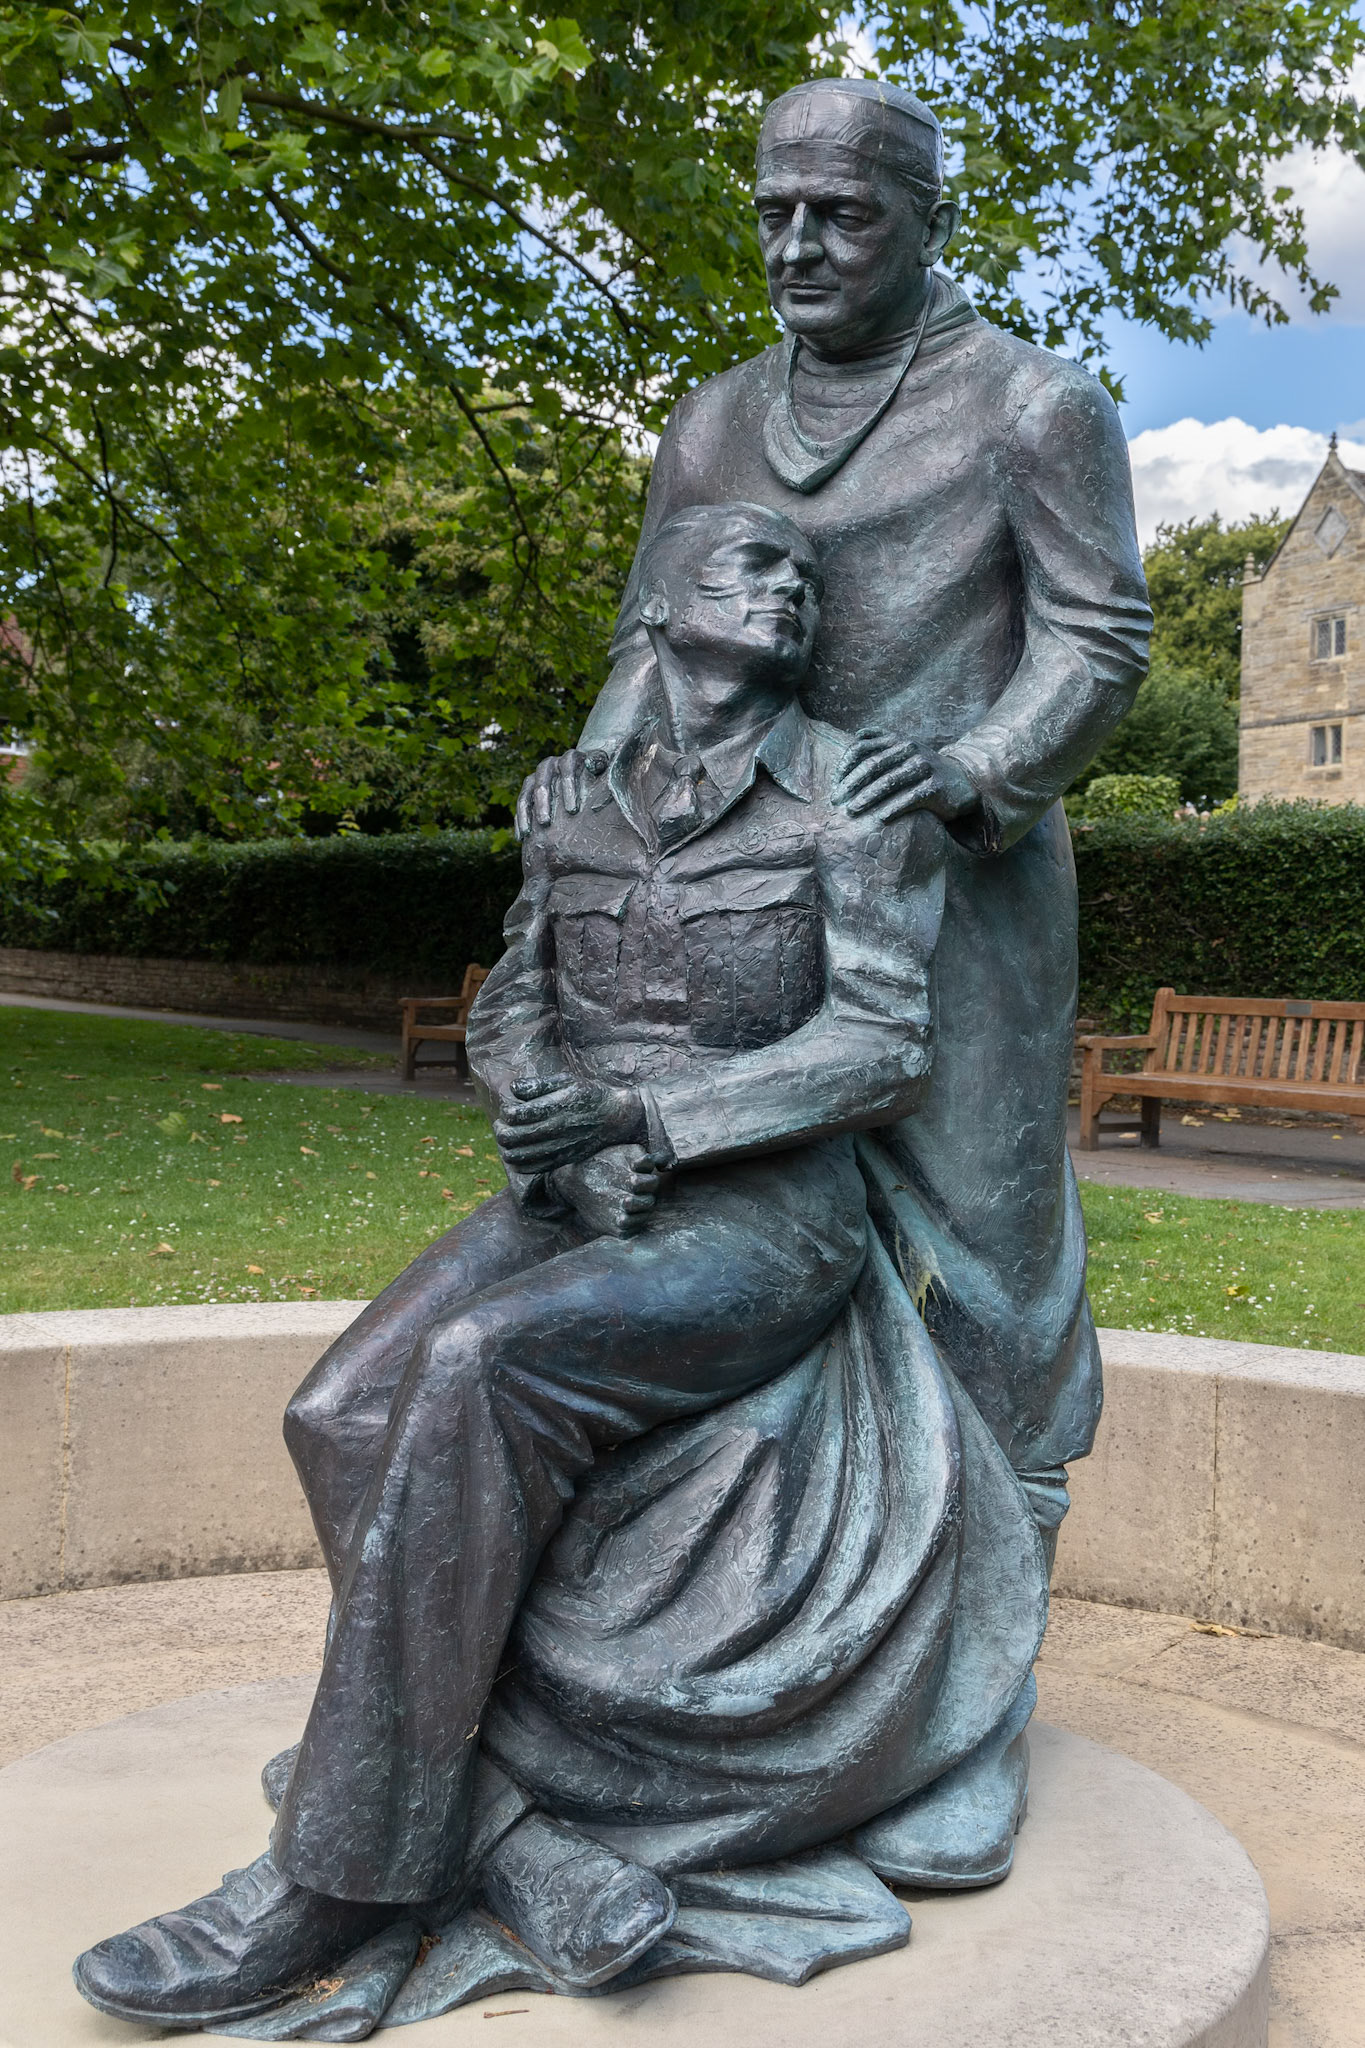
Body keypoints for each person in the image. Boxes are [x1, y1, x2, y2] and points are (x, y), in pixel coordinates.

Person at [73, 500, 969, 2031]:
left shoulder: (850, 798)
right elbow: (514, 1003)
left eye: (802, 580)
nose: (789, 592)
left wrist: (655, 1117)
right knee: (339, 1407)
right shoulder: (568, 799)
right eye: (751, 567)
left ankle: (331, 1877)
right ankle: (504, 1828)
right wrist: (543, 1115)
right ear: (661, 611)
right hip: (578, 1190)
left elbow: (880, 1044)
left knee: (483, 1364)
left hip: (764, 1221)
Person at [520, 76, 1151, 1869]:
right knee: (717, 1233)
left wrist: (968, 772)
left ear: (922, 217)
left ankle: (971, 1716)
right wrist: (594, 779)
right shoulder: (714, 422)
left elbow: (1095, 636)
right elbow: (651, 639)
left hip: (963, 910)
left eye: (842, 215)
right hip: (729, 894)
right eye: (777, 210)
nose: (799, 245)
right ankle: (749, 1678)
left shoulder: (1031, 408)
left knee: (988, 1281)